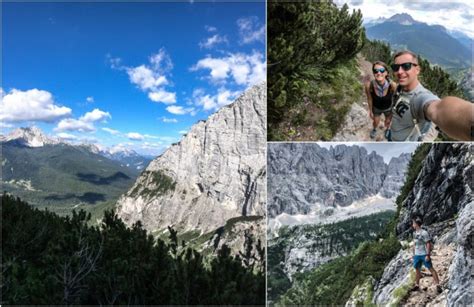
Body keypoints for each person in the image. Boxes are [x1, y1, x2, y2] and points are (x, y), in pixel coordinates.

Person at [390, 50, 473, 141]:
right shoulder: (400, 88)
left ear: (417, 70)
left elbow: (437, 109)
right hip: (391, 135)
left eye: (406, 66)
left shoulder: (420, 97)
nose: (399, 71)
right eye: (396, 67)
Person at [365, 61, 397, 140]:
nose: (379, 73)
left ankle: (388, 129)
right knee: (376, 122)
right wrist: (370, 110)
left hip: (388, 108)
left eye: (382, 70)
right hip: (376, 108)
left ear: (386, 73)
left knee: (388, 121)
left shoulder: (392, 85)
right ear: (373, 73)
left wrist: (394, 110)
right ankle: (375, 129)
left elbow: (395, 98)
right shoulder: (369, 85)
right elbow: (369, 98)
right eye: (376, 71)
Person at [412, 216, 442, 294]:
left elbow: (428, 244)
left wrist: (428, 255)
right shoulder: (414, 233)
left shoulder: (424, 233)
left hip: (424, 254)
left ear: (416, 224)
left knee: (431, 269)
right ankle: (417, 285)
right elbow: (415, 243)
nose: (412, 225)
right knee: (417, 270)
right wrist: (413, 254)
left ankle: (438, 285)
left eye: (413, 223)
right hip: (417, 255)